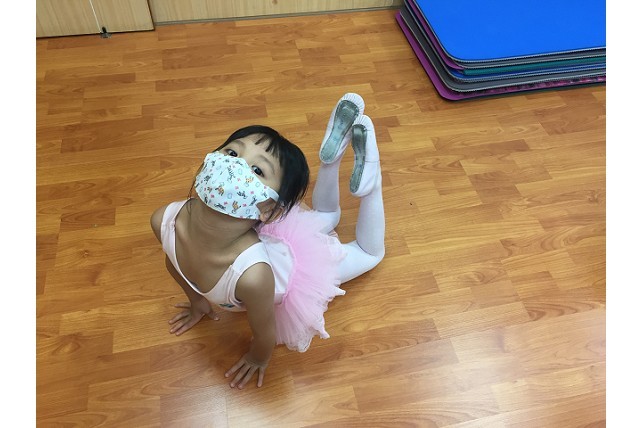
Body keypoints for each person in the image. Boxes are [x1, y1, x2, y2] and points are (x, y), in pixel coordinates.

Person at [150, 93, 385, 389]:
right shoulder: (163, 220)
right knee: (326, 216)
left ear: (270, 210)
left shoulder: (254, 277)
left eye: (257, 170)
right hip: (266, 235)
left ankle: (372, 183)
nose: (234, 167)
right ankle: (332, 156)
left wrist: (258, 358)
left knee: (369, 253)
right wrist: (197, 302)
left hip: (298, 269)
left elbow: (265, 333)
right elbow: (173, 263)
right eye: (232, 153)